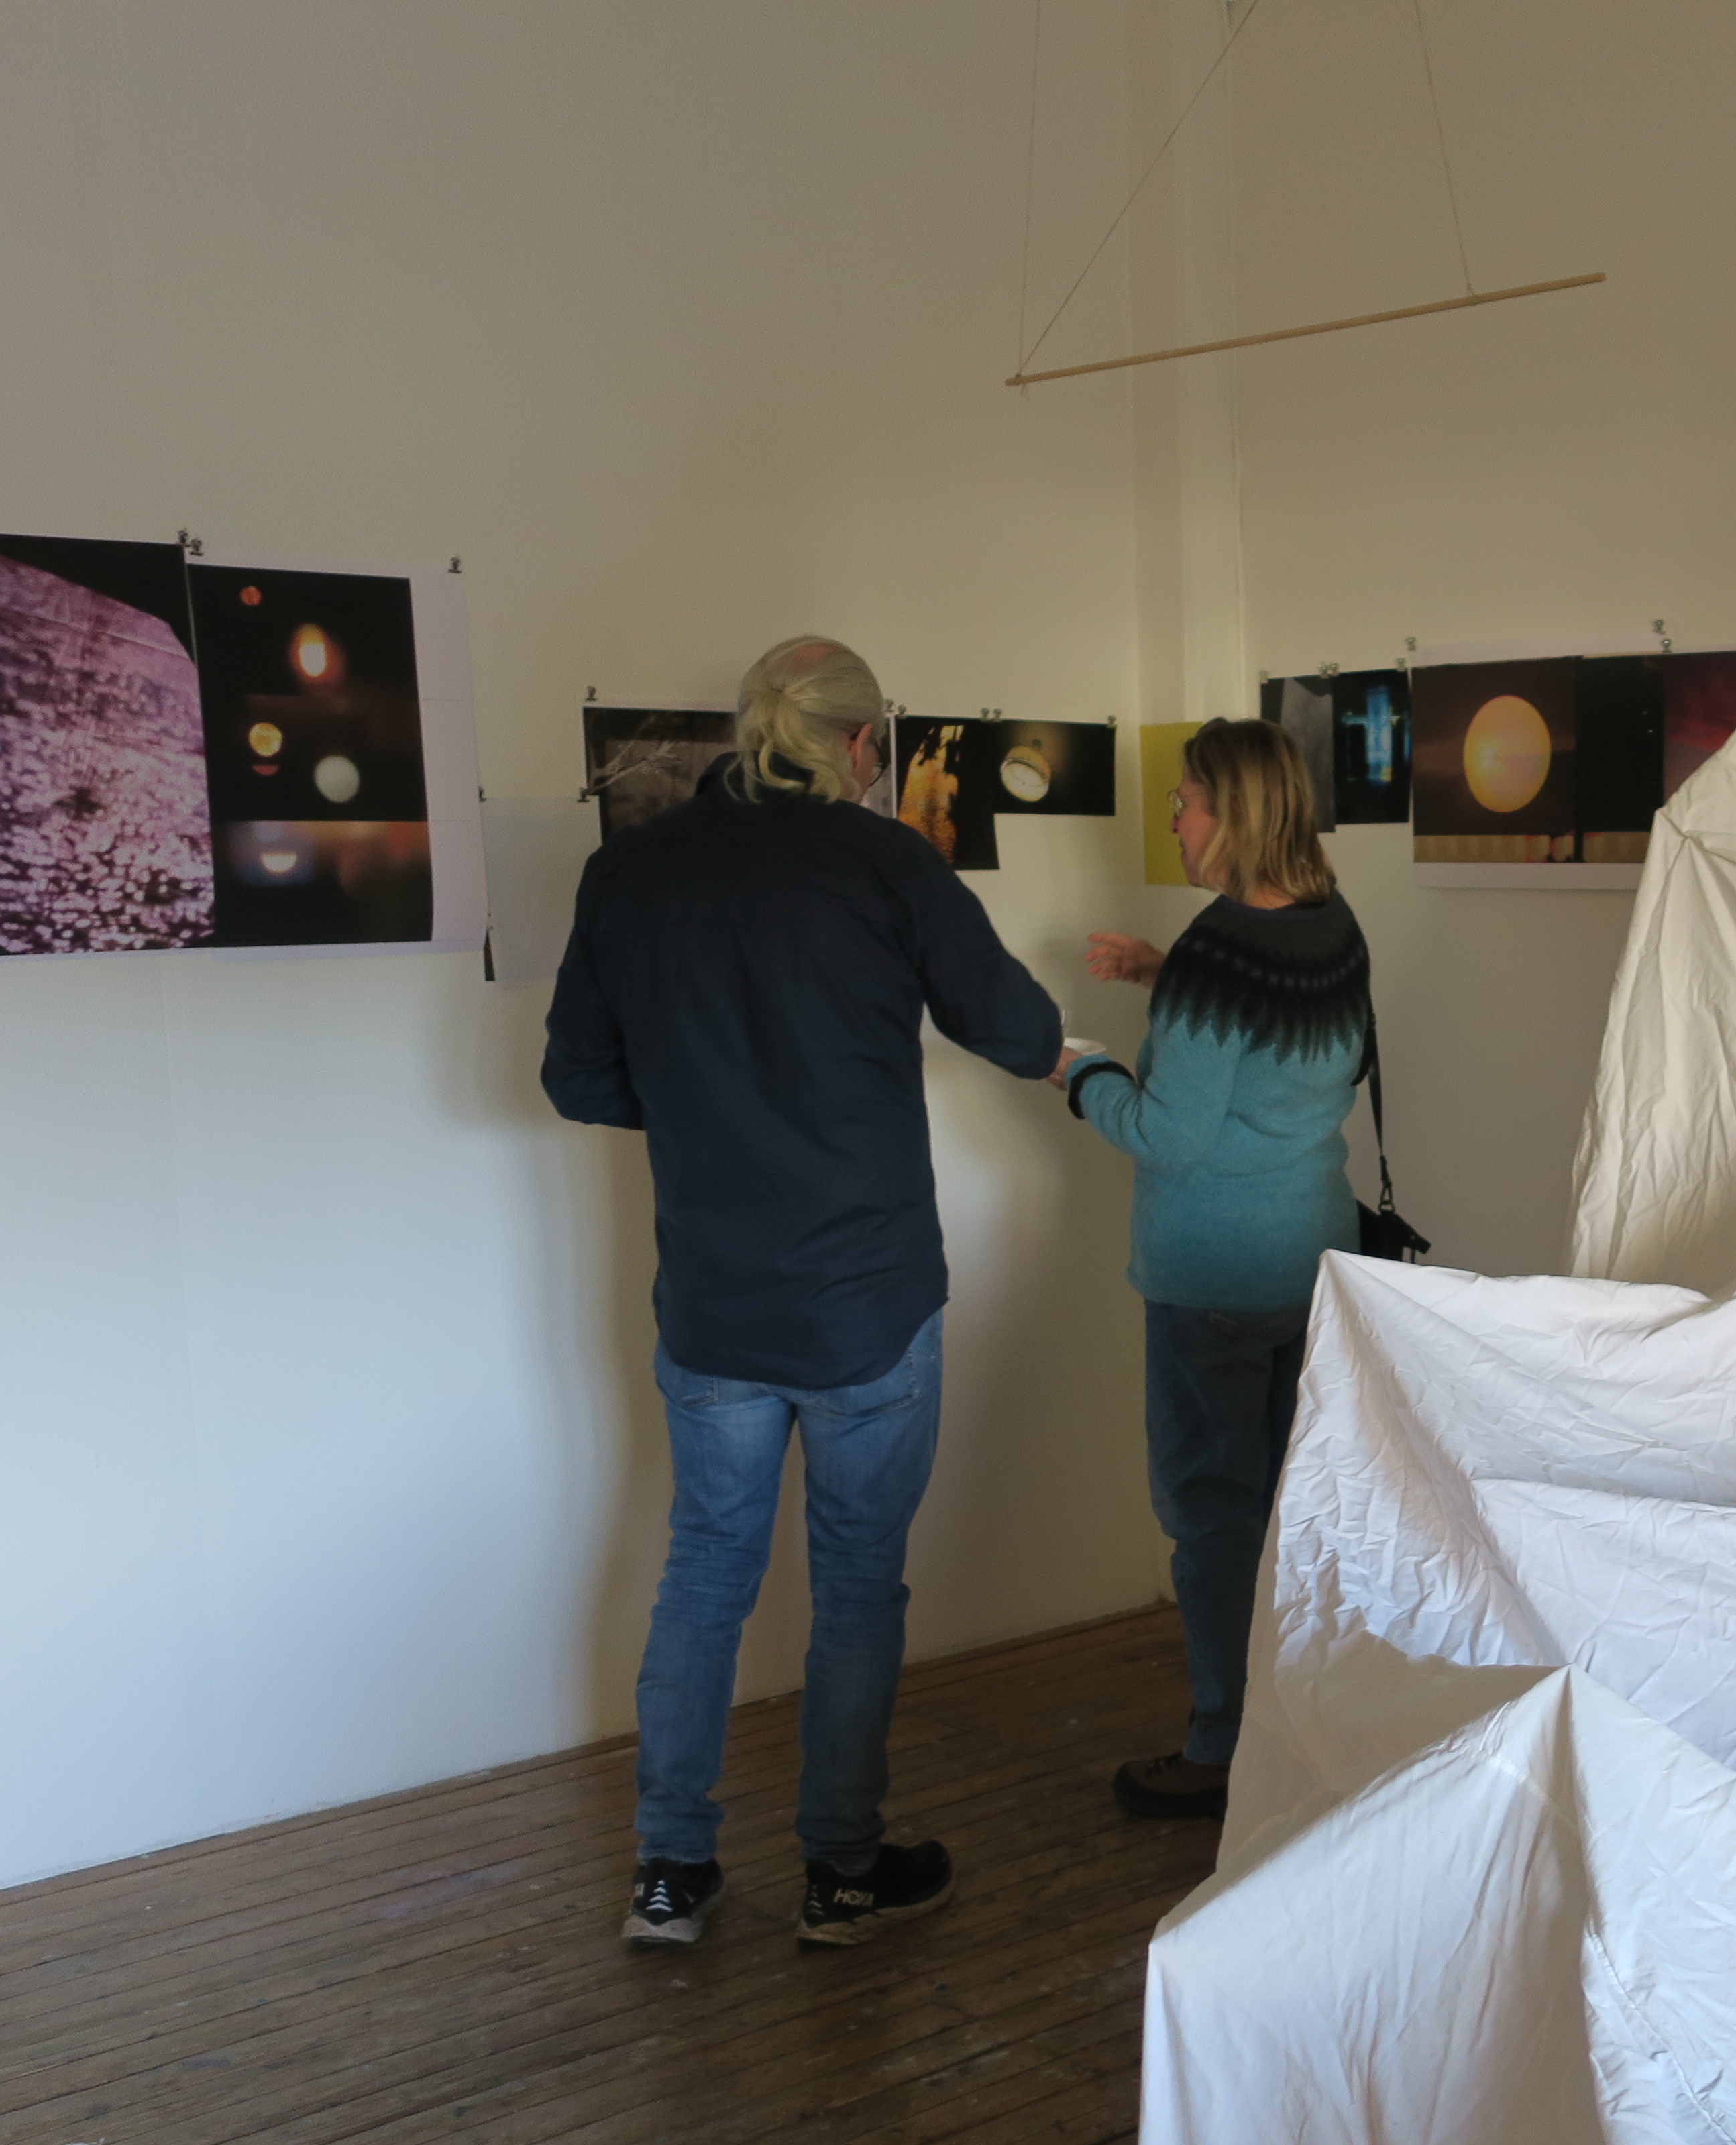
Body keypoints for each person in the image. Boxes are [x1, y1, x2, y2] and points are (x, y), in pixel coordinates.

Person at [543, 636, 1063, 1948]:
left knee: (703, 1575)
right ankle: (841, 1872)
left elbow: (578, 1080)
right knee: (857, 1589)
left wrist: (710, 1104)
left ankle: (670, 1875)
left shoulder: (632, 868)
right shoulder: (888, 863)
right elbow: (1016, 1030)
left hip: (714, 1303)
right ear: (864, 744)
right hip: (865, 1303)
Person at [1059, 718, 1368, 1821]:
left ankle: (1222, 1746)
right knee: (1299, 1508)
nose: (1175, 818)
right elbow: (1295, 1062)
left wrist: (1076, 1071)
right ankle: (1311, 1731)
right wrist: (1163, 974)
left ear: (1232, 814)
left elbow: (1168, 1135)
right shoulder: (1332, 924)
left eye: (1186, 800)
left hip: (1213, 1282)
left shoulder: (1216, 951)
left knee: (1211, 1517)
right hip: (1314, 1263)